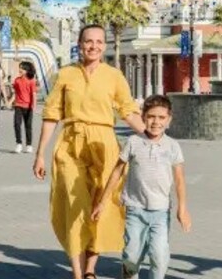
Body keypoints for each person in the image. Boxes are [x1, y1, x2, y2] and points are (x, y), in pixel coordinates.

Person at [33, 24, 146, 279]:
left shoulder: (114, 76)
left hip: (104, 144)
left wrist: (152, 137)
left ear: (104, 46)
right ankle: (77, 272)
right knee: (75, 207)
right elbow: (51, 115)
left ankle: (90, 271)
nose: (93, 46)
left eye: (98, 41)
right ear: (79, 44)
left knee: (100, 206)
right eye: (88, 41)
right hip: (70, 144)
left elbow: (128, 111)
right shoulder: (65, 75)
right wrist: (40, 153)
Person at [91, 94, 192, 279]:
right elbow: (117, 172)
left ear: (169, 120)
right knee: (131, 255)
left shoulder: (173, 146)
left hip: (160, 212)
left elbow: (179, 179)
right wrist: (102, 202)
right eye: (151, 116)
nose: (156, 122)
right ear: (143, 116)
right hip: (135, 210)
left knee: (159, 257)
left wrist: (182, 209)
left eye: (161, 117)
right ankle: (129, 270)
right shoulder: (133, 142)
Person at [12, 61, 37, 154]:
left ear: (26, 70)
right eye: (19, 68)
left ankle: (29, 145)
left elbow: (33, 94)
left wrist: (33, 106)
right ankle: (19, 143)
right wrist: (10, 102)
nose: (20, 70)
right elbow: (15, 93)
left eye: (22, 68)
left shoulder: (32, 81)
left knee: (28, 126)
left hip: (28, 106)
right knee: (17, 124)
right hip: (18, 105)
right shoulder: (17, 80)